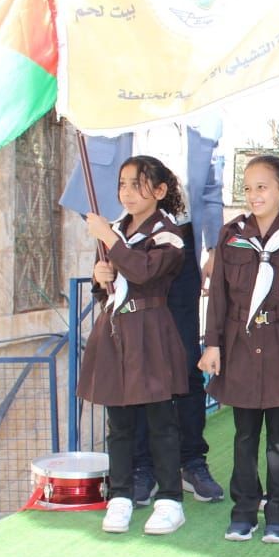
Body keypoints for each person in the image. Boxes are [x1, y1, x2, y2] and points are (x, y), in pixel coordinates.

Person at [60, 120, 226, 505]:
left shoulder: (205, 119)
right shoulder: (112, 110)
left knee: (183, 360)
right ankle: (139, 467)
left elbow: (213, 188)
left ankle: (189, 459)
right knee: (129, 362)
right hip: (122, 237)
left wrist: (213, 247)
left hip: (176, 241)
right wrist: (107, 238)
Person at [199, 156, 279, 544]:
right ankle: (244, 510)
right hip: (240, 345)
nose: (254, 195)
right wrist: (212, 343)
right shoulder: (232, 235)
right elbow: (217, 294)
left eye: (263, 187)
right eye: (248, 188)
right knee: (245, 435)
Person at [75, 156, 189, 536]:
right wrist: (99, 274)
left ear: (159, 191)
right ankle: (120, 495)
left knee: (161, 422)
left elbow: (144, 272)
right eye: (123, 184)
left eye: (137, 184)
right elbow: (106, 287)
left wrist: (109, 239)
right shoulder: (116, 230)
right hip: (116, 330)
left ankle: (170, 499)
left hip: (151, 328)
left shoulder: (169, 233)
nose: (127, 192)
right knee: (119, 423)